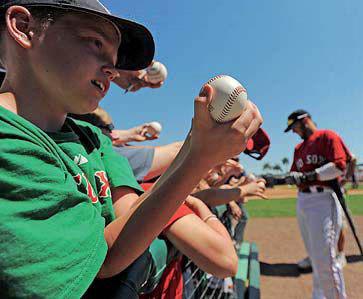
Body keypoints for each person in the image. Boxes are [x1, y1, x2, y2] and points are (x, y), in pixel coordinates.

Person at [0, 1, 263, 297]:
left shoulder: (90, 137)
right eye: (95, 42)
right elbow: (105, 258)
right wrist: (199, 158)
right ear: (24, 27)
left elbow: (133, 212)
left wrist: (197, 140)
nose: (112, 69)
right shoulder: (8, 139)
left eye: (114, 57)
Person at [284, 109, 352, 299]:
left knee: (325, 259)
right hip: (303, 200)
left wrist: (311, 175)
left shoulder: (327, 136)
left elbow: (339, 166)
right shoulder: (299, 149)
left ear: (304, 121)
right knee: (315, 256)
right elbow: (294, 174)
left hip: (323, 198)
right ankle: (319, 295)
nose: (294, 132)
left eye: (295, 127)